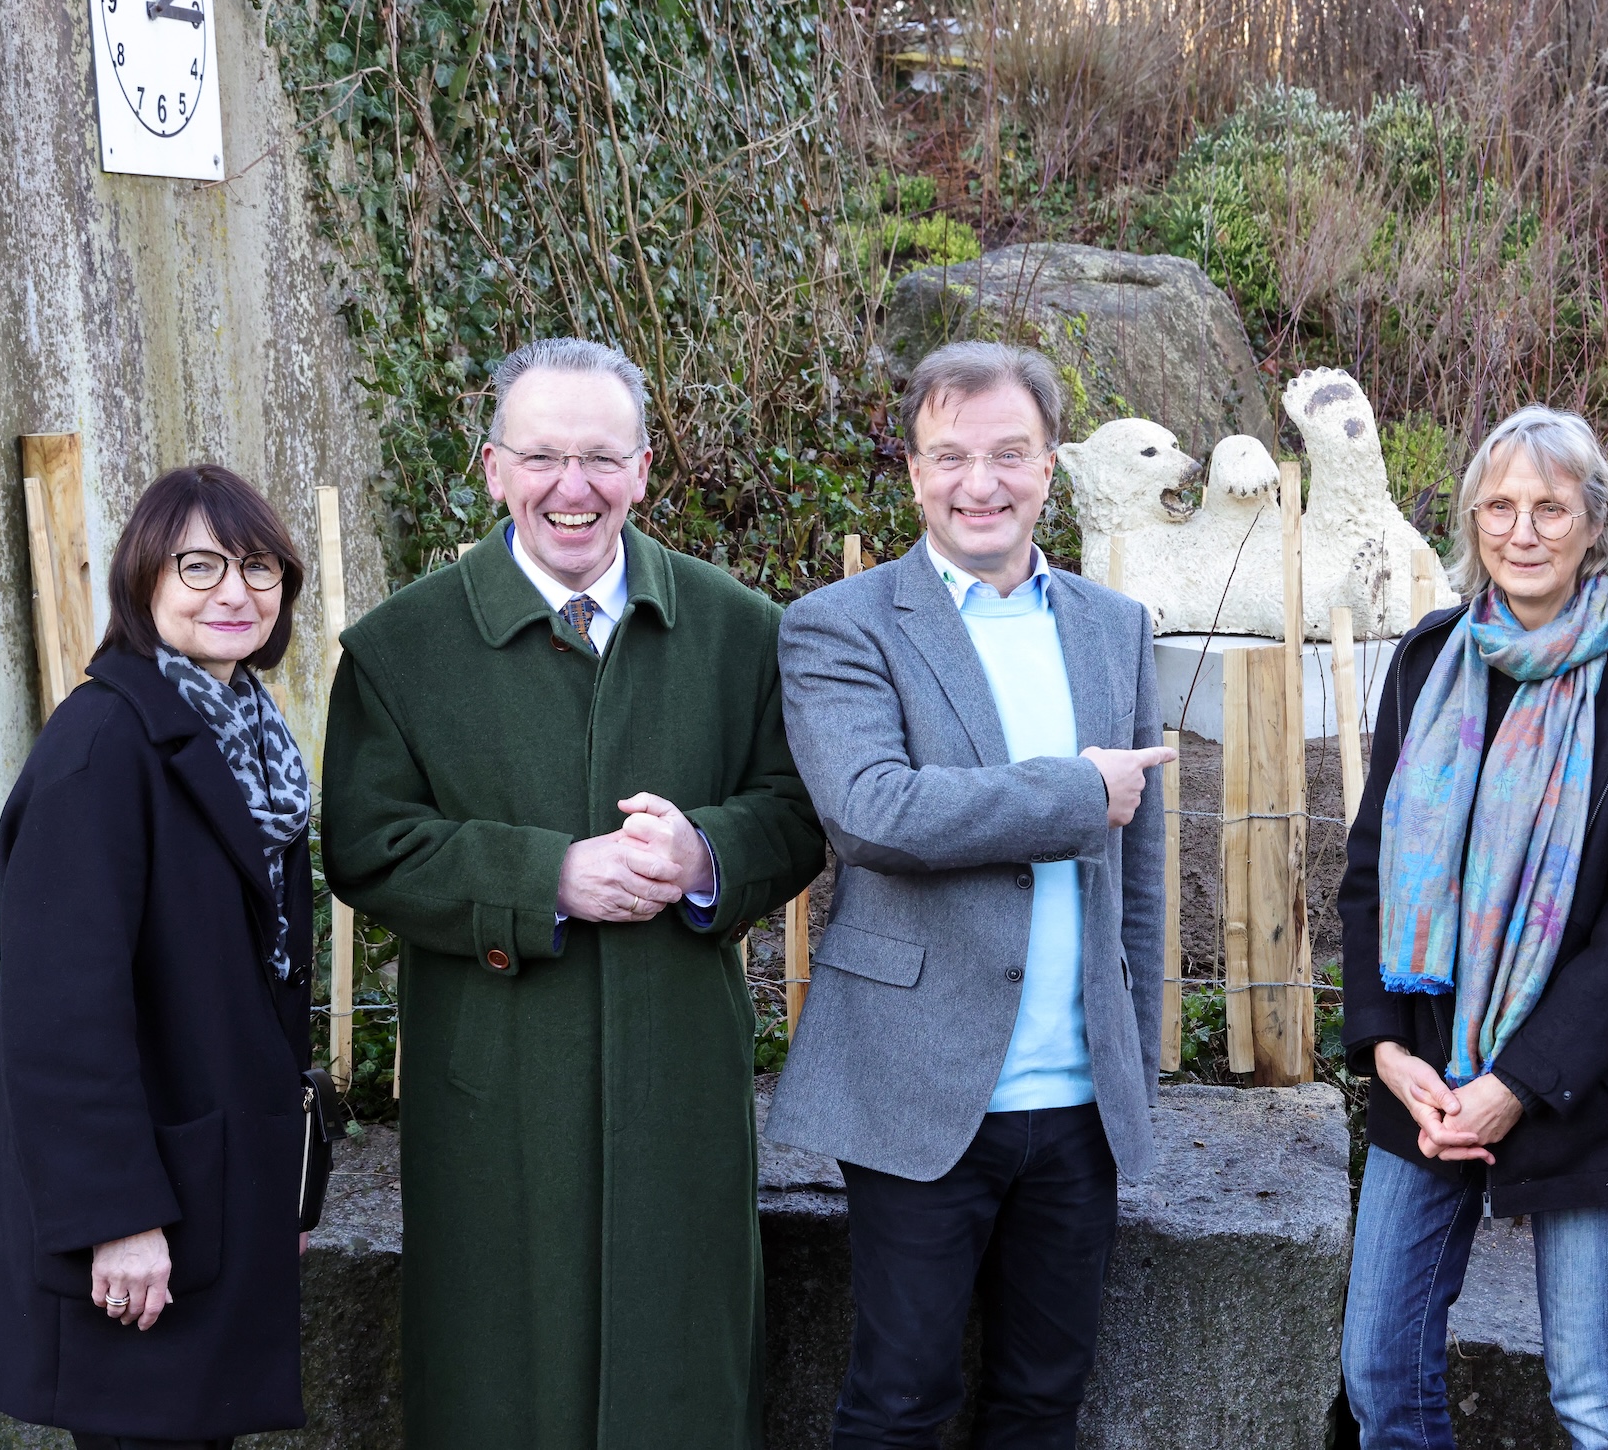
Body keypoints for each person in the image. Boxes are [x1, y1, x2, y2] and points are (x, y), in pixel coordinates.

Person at [321, 337, 825, 1450]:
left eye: (601, 456)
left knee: (682, 1375)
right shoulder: (400, 648)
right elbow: (365, 846)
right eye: (542, 455)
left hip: (678, 1079)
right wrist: (545, 874)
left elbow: (796, 811)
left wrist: (705, 853)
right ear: (492, 467)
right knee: (499, 1376)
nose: (573, 486)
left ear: (644, 469)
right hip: (492, 1086)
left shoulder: (741, 629)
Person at [767, 340, 1171, 1448]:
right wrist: (1081, 788)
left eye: (1009, 453)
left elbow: (1135, 882)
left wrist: (1127, 1065)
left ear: (1051, 467)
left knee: (1044, 1399)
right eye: (950, 455)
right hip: (917, 1089)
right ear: (911, 472)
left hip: (1076, 1103)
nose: (979, 482)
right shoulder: (839, 624)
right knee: (899, 1402)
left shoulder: (1112, 627)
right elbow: (876, 812)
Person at [1338, 407, 1608, 1448]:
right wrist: (1381, 1046)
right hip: (1427, 1066)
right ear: (1470, 521)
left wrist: (1517, 1083)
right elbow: (1374, 862)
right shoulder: (1431, 658)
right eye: (1498, 506)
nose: (1523, 529)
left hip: (1580, 1077)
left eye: (1551, 505)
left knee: (1590, 1392)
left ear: (1595, 519)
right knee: (1379, 1366)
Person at [0, 467, 319, 1449]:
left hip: (219, 1186)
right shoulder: (102, 742)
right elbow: (59, 1012)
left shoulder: (249, 734)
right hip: (147, 1210)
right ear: (145, 582)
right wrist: (116, 1218)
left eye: (259, 568)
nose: (235, 592)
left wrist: (289, 1180)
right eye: (201, 566)